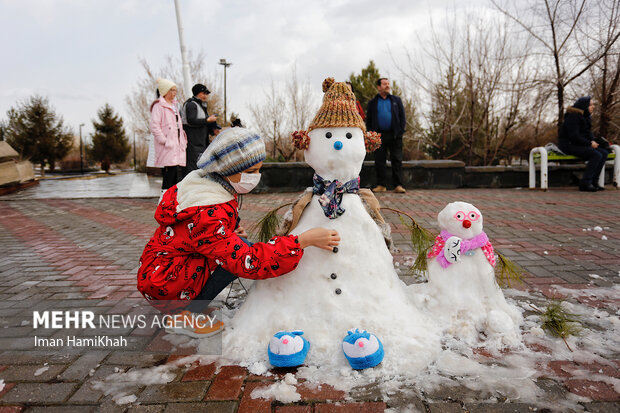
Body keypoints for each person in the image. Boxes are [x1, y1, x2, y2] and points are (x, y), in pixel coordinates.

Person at [137, 127, 340, 337]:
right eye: (249, 172)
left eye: (258, 170)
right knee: (238, 258)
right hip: (167, 285)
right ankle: (183, 315)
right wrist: (301, 241)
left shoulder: (204, 187)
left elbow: (201, 239)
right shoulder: (208, 211)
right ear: (226, 169)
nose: (255, 177)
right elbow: (248, 261)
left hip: (165, 273)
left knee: (234, 250)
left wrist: (228, 233)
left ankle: (191, 305)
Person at [558, 96, 609, 192]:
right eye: (591, 105)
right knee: (596, 155)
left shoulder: (585, 117)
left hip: (579, 144)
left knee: (604, 153)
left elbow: (588, 134)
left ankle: (594, 182)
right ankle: (585, 183)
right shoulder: (573, 116)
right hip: (568, 145)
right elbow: (574, 136)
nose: (593, 107)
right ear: (584, 106)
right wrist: (590, 143)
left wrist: (596, 142)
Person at [365, 77, 407, 193]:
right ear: (379, 87)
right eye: (384, 84)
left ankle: (398, 185)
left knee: (397, 160)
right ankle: (381, 185)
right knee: (379, 160)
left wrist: (400, 132)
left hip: (394, 135)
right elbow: (369, 120)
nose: (387, 86)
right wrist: (371, 134)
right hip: (378, 136)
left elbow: (402, 117)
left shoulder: (396, 100)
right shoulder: (373, 102)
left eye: (388, 83)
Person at [150, 78, 187, 196]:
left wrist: (183, 141)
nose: (174, 93)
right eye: (171, 90)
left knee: (177, 176)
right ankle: (163, 201)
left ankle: (173, 202)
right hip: (168, 146)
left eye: (175, 90)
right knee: (169, 175)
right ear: (165, 91)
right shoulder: (159, 106)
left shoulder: (175, 106)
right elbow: (154, 126)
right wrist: (164, 141)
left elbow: (179, 126)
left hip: (177, 146)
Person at [181, 83, 218, 175]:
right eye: (203, 93)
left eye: (206, 94)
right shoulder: (191, 104)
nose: (205, 96)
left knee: (199, 168)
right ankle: (189, 188)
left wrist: (212, 129)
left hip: (200, 143)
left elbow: (202, 123)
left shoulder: (201, 106)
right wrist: (207, 120)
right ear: (197, 93)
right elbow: (191, 120)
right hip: (193, 143)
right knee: (192, 168)